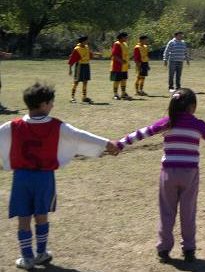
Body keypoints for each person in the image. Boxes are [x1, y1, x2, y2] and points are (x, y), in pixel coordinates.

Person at [114, 88, 205, 263]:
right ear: (192, 106)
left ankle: (164, 249)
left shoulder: (168, 122)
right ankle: (189, 249)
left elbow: (141, 133)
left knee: (166, 211)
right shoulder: (199, 125)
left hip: (168, 173)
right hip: (190, 174)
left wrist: (120, 144)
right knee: (188, 212)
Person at [0, 82, 118, 270]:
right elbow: (81, 136)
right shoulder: (56, 126)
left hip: (21, 178)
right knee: (41, 215)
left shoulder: (11, 126)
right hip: (44, 178)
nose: (53, 106)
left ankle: (27, 258)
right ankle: (41, 253)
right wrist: (106, 143)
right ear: (44, 104)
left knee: (23, 218)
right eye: (51, 102)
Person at [67, 35, 93, 104]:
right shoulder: (77, 49)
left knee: (85, 81)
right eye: (86, 40)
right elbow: (72, 59)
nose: (87, 41)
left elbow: (90, 55)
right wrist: (70, 69)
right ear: (83, 41)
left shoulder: (87, 47)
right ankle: (72, 97)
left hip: (86, 65)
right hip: (80, 66)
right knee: (76, 82)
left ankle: (84, 97)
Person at [110, 32, 131, 101]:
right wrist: (121, 61)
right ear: (121, 37)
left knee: (124, 79)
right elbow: (114, 55)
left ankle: (123, 93)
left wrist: (128, 63)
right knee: (117, 80)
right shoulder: (117, 44)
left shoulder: (125, 44)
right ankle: (115, 94)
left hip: (124, 66)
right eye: (126, 37)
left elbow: (126, 55)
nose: (127, 38)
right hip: (117, 66)